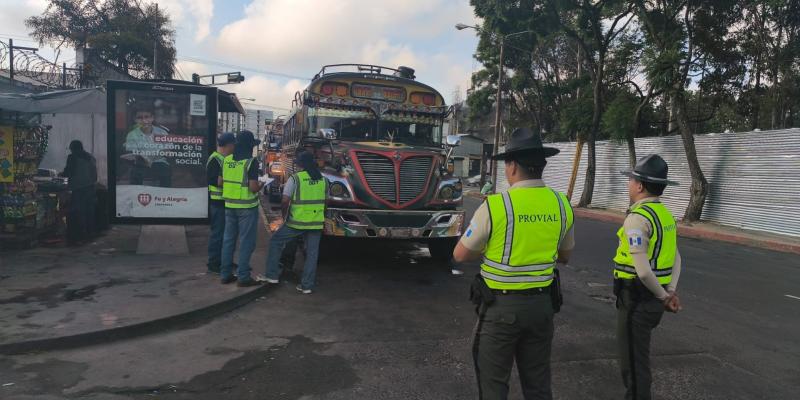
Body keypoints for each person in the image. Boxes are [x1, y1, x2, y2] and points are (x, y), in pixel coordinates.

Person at [453, 127, 574, 400]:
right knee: (538, 385)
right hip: (542, 308)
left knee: (494, 385)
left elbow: (460, 254)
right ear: (542, 164)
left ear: (512, 166)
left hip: (501, 311)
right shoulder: (561, 204)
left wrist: (489, 249)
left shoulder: (496, 206)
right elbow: (565, 256)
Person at [613, 154, 683, 400]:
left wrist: (665, 296)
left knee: (633, 366)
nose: (629, 183)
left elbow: (642, 270)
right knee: (639, 360)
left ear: (640, 185)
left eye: (631, 179)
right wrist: (669, 291)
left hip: (637, 301)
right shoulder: (665, 216)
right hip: (654, 300)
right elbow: (677, 258)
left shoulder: (638, 218)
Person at [260, 151, 327, 294]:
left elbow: (285, 201)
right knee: (312, 254)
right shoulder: (323, 179)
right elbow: (325, 201)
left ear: (300, 165)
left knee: (276, 241)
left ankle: (272, 275)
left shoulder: (295, 179)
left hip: (297, 222)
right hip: (316, 223)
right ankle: (307, 285)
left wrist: (285, 217)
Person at [220, 130, 264, 287]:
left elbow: (220, 182)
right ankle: (243, 277)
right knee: (246, 243)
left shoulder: (227, 160)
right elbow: (253, 187)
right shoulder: (251, 162)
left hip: (229, 205)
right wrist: (261, 185)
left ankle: (225, 274)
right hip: (246, 208)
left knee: (228, 240)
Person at [206, 132, 236, 274]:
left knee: (226, 235)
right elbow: (216, 181)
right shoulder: (215, 159)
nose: (234, 148)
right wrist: (234, 180)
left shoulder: (223, 159)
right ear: (228, 145)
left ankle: (225, 262)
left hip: (224, 202)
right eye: (233, 145)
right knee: (217, 235)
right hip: (217, 203)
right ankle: (214, 264)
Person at [123, 105, 171, 187]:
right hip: (140, 164)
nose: (144, 120)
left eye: (147, 117)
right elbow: (132, 153)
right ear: (135, 119)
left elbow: (168, 151)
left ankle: (164, 197)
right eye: (140, 117)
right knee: (135, 172)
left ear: (152, 118)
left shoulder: (162, 133)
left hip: (159, 162)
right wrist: (142, 159)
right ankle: (135, 195)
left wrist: (152, 158)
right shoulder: (132, 134)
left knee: (165, 171)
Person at [61, 140, 98, 245]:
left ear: (74, 148)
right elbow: (95, 176)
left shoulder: (72, 157)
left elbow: (69, 172)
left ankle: (81, 235)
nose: (71, 151)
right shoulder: (91, 157)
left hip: (78, 188)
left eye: (72, 149)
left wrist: (61, 174)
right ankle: (91, 233)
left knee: (78, 212)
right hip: (90, 187)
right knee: (89, 212)